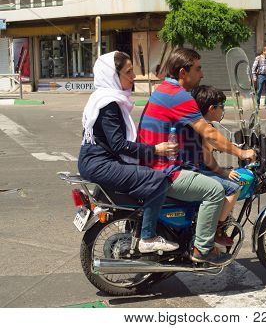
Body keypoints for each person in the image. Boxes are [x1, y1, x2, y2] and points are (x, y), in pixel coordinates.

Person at [138, 48, 256, 266]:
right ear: (183, 72)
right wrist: (241, 153)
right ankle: (202, 249)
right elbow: (209, 133)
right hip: (164, 171)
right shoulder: (178, 96)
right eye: (198, 69)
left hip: (154, 164)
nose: (202, 74)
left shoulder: (164, 89)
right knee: (215, 190)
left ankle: (199, 233)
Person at [78, 51, 179, 254]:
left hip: (93, 160)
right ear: (113, 76)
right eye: (128, 72)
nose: (133, 76)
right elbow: (119, 145)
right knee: (158, 181)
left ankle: (134, 226)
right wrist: (155, 149)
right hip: (100, 164)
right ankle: (148, 237)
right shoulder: (108, 104)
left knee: (141, 174)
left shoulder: (100, 98)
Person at [187, 85, 241, 246]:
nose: (223, 110)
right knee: (233, 188)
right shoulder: (206, 127)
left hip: (193, 167)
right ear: (211, 109)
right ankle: (217, 229)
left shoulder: (198, 122)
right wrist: (222, 171)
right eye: (221, 107)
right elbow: (207, 158)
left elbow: (210, 149)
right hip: (197, 169)